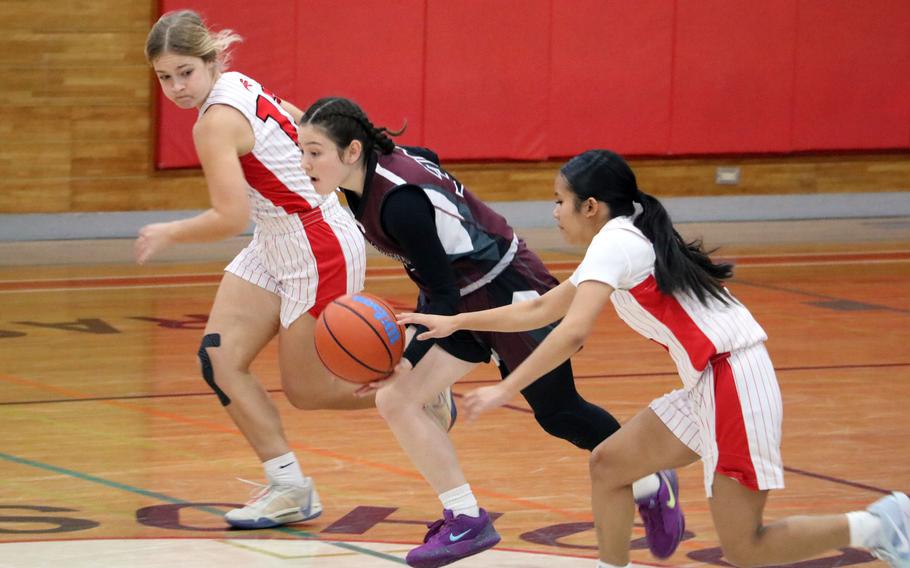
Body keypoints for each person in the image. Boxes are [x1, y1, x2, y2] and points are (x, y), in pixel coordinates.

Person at [399, 149, 910, 568]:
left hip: (734, 379)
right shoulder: (617, 241)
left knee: (745, 546)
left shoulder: (615, 242)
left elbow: (572, 332)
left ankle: (882, 523)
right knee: (609, 464)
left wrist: (506, 389)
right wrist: (458, 323)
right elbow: (542, 308)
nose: (554, 211)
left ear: (592, 206)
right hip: (707, 382)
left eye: (560, 201)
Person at [296, 98, 685, 568]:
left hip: (509, 287)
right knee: (396, 399)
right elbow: (429, 169)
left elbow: (439, 293)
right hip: (460, 296)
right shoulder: (366, 182)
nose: (305, 163)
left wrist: (399, 356)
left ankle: (650, 481)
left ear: (352, 151)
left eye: (315, 152)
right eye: (302, 151)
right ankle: (465, 517)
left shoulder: (400, 204)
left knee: (560, 414)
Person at [139, 11, 454, 531]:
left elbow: (229, 216)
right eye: (164, 76)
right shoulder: (238, 83)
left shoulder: (216, 121)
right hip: (277, 235)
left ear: (211, 60)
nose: (175, 87)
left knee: (308, 390)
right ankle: (289, 489)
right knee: (218, 358)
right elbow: (302, 119)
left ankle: (421, 388)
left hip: (315, 241)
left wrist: (168, 231)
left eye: (185, 72)